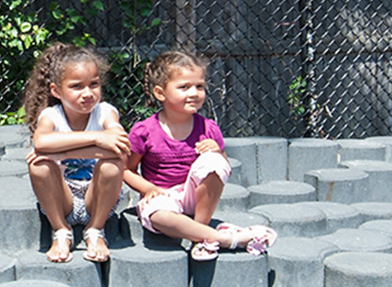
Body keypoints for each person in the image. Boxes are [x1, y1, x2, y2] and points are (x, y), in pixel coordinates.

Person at [123, 49, 273, 261]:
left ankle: (199, 234)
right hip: (162, 196)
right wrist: (149, 189)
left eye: (199, 86)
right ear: (160, 93)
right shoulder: (144, 130)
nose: (194, 93)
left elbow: (223, 170)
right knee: (158, 217)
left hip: (195, 197)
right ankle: (219, 237)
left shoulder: (209, 128)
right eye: (184, 87)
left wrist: (217, 152)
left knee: (213, 161)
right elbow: (126, 170)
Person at [22, 43, 127, 262]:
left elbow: (120, 150)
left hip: (97, 198)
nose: (88, 93)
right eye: (77, 86)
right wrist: (97, 138)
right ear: (56, 91)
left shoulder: (105, 113)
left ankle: (96, 231)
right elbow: (41, 142)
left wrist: (61, 154)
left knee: (113, 164)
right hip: (63, 197)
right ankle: (61, 231)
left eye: (94, 84)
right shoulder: (52, 115)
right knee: (39, 165)